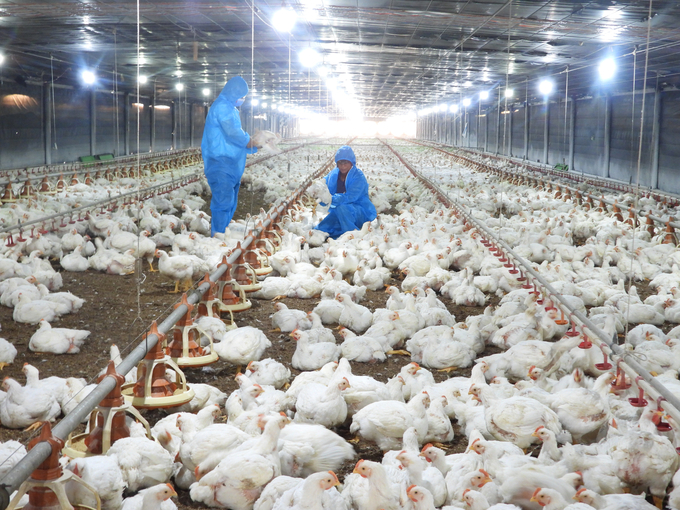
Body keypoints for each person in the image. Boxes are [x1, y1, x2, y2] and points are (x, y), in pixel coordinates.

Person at [201, 76, 259, 237]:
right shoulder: (222, 108)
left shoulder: (230, 108)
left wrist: (251, 142)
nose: (242, 99)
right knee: (223, 202)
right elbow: (232, 132)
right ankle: (218, 236)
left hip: (230, 163)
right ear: (233, 93)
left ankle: (223, 233)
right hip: (220, 162)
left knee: (229, 201)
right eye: (241, 96)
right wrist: (249, 141)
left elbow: (234, 134)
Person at [316, 145, 377, 239]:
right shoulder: (333, 174)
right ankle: (319, 233)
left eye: (346, 163)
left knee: (341, 208)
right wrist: (318, 188)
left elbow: (350, 197)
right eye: (340, 163)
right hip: (340, 210)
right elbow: (325, 184)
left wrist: (331, 199)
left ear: (351, 162)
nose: (343, 166)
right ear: (337, 163)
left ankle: (353, 237)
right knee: (322, 227)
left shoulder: (358, 176)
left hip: (359, 211)